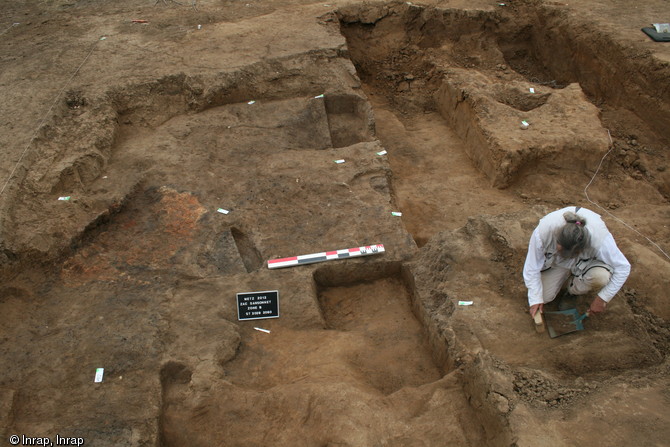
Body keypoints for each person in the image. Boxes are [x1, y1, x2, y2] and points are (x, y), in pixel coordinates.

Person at [523, 206, 631, 318]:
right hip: (557, 263)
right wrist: (535, 298)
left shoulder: (600, 240)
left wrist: (602, 298)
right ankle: (563, 277)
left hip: (584, 263)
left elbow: (623, 268)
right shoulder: (544, 231)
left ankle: (572, 292)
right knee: (544, 297)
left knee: (600, 277)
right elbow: (532, 266)